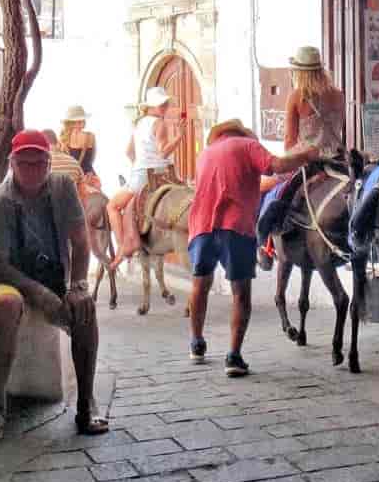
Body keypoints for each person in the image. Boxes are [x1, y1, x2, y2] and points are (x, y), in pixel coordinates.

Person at [0, 129, 108, 443]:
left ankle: (86, 404)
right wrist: (41, 294)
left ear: (49, 163)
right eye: (25, 163)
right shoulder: (0, 200)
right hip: (8, 279)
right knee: (6, 306)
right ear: (12, 163)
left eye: (38, 162)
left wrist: (77, 284)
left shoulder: (62, 187)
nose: (32, 169)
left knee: (84, 307)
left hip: (52, 274)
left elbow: (80, 241)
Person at [187, 119, 319, 376]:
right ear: (244, 133)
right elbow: (276, 166)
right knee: (240, 292)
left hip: (201, 226)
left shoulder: (206, 153)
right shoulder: (248, 145)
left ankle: (196, 343)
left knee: (199, 285)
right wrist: (306, 155)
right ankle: (233, 357)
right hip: (235, 226)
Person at [258, 46, 346, 269]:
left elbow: (289, 139)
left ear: (299, 72)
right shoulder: (338, 94)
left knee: (263, 187)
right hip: (336, 159)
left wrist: (290, 158)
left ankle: (264, 244)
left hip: (305, 160)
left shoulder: (297, 97)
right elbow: (340, 129)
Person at [106, 86, 185, 268]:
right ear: (153, 106)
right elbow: (163, 152)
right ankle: (125, 245)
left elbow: (128, 152)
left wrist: (139, 164)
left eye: (165, 104)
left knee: (113, 206)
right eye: (162, 104)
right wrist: (179, 137)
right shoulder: (159, 123)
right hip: (161, 174)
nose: (164, 107)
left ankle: (122, 245)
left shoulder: (139, 124)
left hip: (141, 174)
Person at [59, 105, 97, 176]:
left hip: (71, 177)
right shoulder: (91, 136)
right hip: (88, 176)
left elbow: (62, 162)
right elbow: (92, 159)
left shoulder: (63, 138)